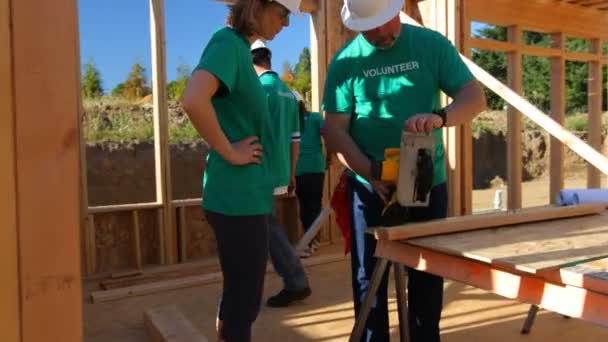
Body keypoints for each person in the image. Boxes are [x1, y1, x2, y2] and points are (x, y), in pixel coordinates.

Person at [322, 0, 487, 341]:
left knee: (426, 273)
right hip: (370, 187)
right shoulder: (345, 63)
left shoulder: (431, 45)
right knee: (370, 279)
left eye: (386, 21)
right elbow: (335, 129)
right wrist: (369, 172)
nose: (381, 32)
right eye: (371, 26)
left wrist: (441, 117)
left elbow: (474, 97)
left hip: (425, 181)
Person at [180, 0, 301, 341]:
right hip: (236, 196)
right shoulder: (228, 45)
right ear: (257, 6)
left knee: (239, 297)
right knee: (243, 302)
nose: (287, 24)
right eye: (283, 13)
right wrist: (230, 152)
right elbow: (193, 99)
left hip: (246, 195)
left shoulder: (237, 49)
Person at [251, 40, 312, 307]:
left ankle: (295, 281)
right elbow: (295, 138)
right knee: (264, 224)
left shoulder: (258, 90)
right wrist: (290, 172)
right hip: (278, 171)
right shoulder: (288, 93)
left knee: (261, 227)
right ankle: (293, 280)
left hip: (256, 170)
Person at [293, 91, 327, 257]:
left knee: (305, 208)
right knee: (313, 206)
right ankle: (312, 242)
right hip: (315, 168)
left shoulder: (290, 122)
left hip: (298, 170)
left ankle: (310, 243)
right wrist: (330, 157)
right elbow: (326, 135)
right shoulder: (315, 118)